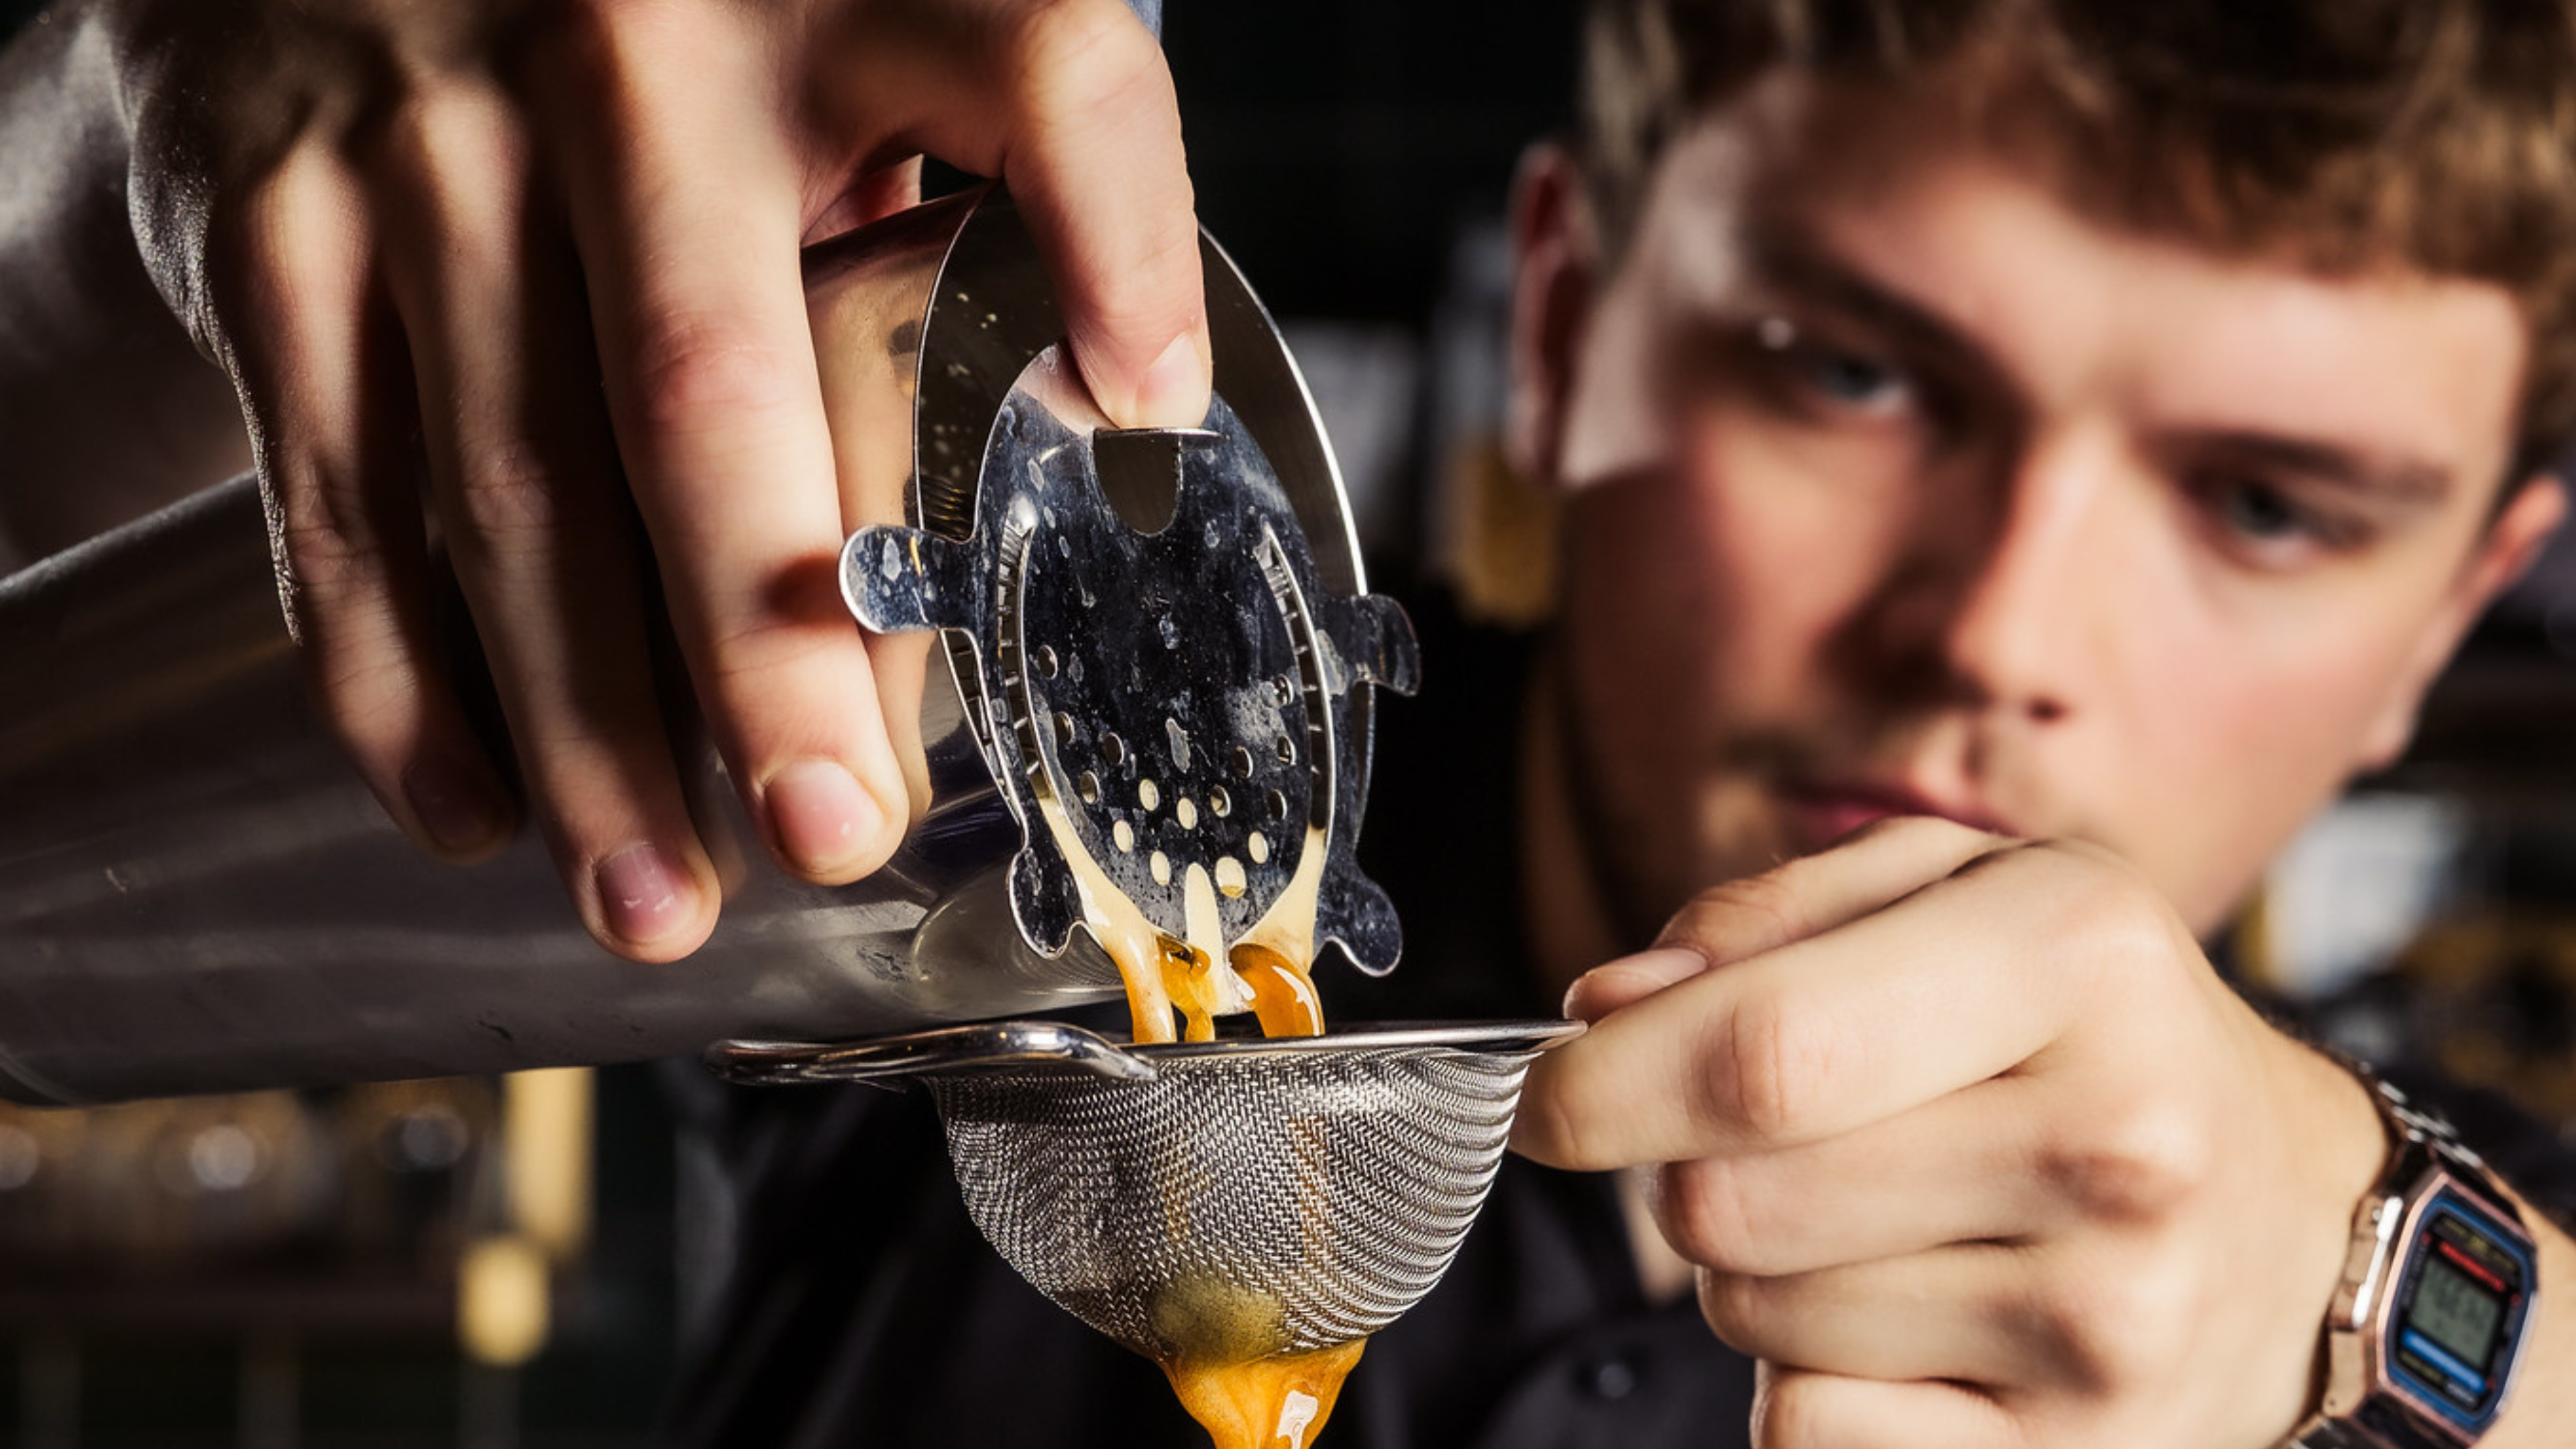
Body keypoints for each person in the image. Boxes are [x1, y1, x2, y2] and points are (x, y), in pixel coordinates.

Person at [7, 3, 2576, 1448]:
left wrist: (2387, 1297)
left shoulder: (2433, 1239)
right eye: (1851, 372)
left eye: (2266, 502)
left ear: (2455, 616)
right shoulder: (1004, 790)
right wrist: (119, 160)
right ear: (1553, 330)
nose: (1997, 626)